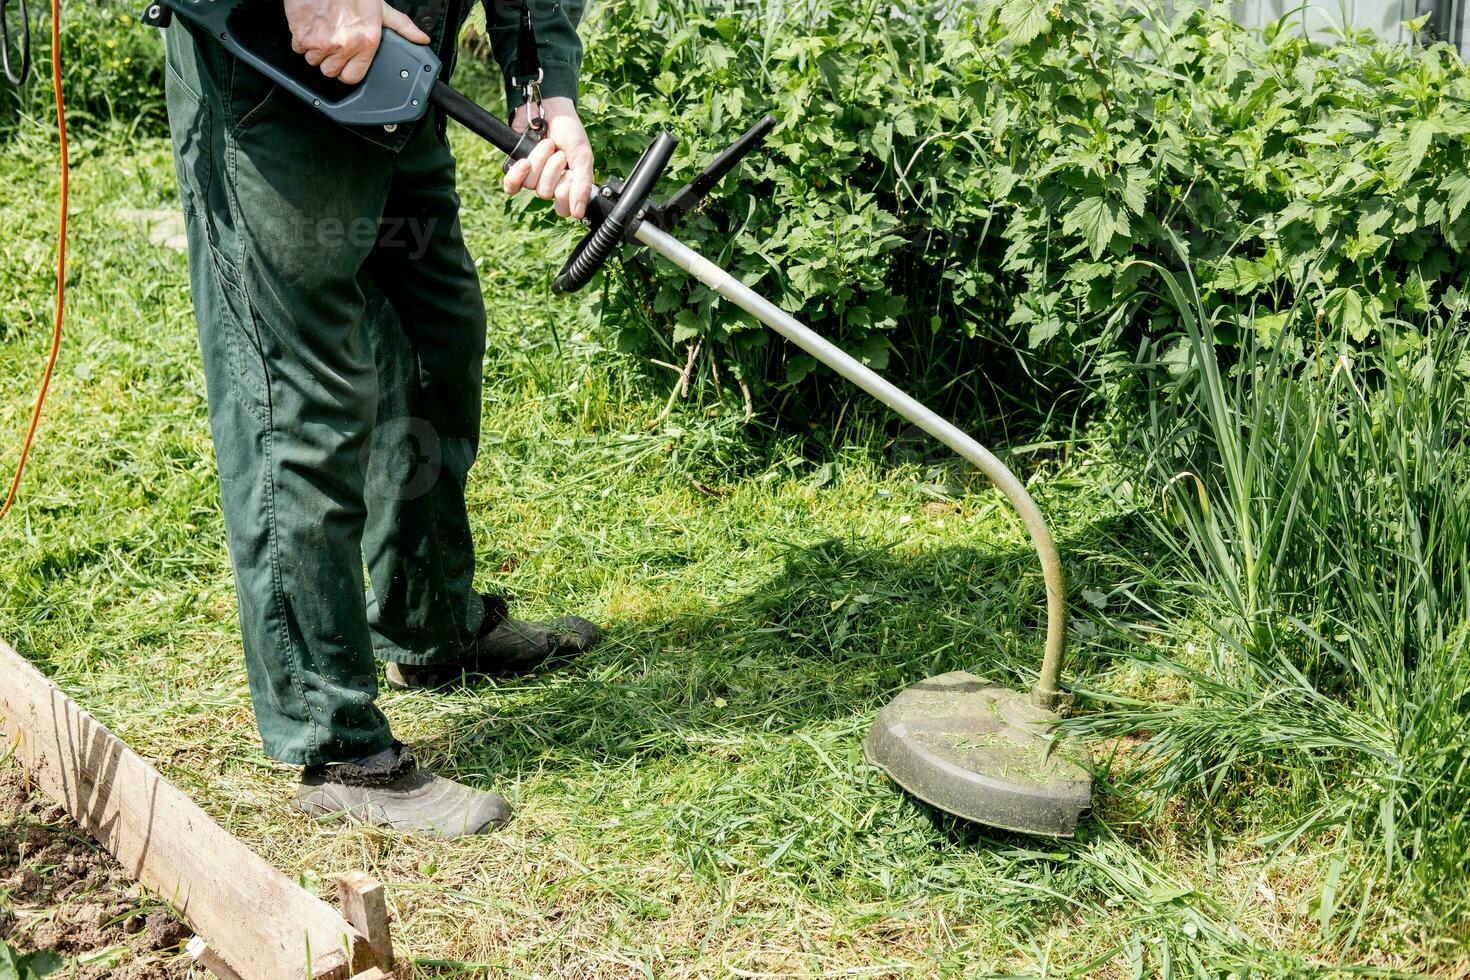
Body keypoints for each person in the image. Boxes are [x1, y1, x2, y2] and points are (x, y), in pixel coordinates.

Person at [163, 0, 600, 838]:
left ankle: (429, 623)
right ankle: (336, 745)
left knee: (431, 341)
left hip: (400, 72)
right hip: (276, 70)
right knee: (297, 397)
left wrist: (545, 86)